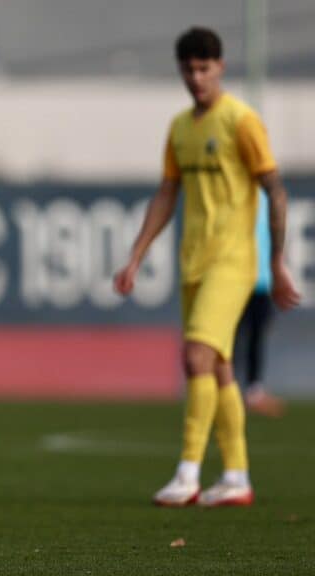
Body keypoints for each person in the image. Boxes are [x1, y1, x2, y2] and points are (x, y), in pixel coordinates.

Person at [114, 27, 301, 508]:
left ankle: (188, 473)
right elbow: (166, 192)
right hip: (193, 261)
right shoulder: (180, 128)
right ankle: (236, 476)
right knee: (218, 368)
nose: (197, 78)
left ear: (220, 67)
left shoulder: (241, 121)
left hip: (233, 261)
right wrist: (137, 254)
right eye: (189, 70)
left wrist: (277, 262)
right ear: (181, 71)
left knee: (195, 355)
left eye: (205, 68)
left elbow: (275, 190)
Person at [233, 192, 285, 417]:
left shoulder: (267, 197)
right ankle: (227, 390)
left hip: (262, 280)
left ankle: (254, 391)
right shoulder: (234, 194)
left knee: (257, 336)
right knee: (232, 339)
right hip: (235, 278)